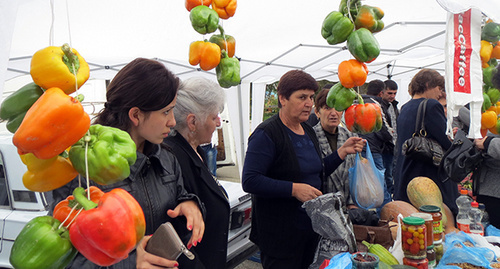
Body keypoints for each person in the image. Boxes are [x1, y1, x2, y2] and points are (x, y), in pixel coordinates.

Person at [51, 58, 205, 268]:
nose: (172, 121)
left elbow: (178, 198)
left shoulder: (167, 157)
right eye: (166, 112)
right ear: (136, 115)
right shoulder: (82, 170)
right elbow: (65, 257)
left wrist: (190, 204)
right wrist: (129, 263)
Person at [241, 70, 365, 269]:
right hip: (280, 235)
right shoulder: (267, 134)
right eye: (302, 97)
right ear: (282, 98)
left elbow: (316, 170)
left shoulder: (307, 129)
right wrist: (293, 189)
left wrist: (341, 152)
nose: (309, 103)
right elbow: (250, 180)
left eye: (310, 97)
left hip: (310, 230)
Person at [164, 77, 230, 269]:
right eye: (213, 117)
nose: (218, 123)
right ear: (192, 122)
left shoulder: (196, 151)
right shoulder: (174, 157)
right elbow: (176, 234)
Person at [393, 68, 459, 216]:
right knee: (436, 220)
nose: (440, 93)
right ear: (428, 84)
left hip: (406, 171)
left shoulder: (405, 107)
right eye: (439, 88)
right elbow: (445, 142)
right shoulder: (431, 105)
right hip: (426, 173)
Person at [312, 88, 378, 225]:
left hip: (347, 209)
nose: (333, 113)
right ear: (317, 112)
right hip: (322, 210)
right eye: (327, 108)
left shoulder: (350, 136)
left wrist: (352, 202)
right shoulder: (310, 138)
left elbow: (355, 174)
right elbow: (314, 173)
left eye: (338, 108)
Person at [359, 79, 393, 212]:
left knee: (361, 184)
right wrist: (390, 138)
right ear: (381, 93)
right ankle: (385, 215)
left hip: (355, 148)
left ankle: (363, 212)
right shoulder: (375, 106)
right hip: (372, 149)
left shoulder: (356, 102)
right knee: (380, 183)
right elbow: (382, 129)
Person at [380, 79, 399, 196]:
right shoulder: (380, 107)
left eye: (395, 93)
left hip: (393, 146)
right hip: (384, 147)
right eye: (390, 93)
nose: (392, 96)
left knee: (391, 173)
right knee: (386, 174)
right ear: (382, 92)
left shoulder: (394, 107)